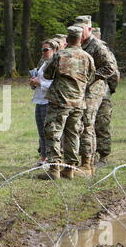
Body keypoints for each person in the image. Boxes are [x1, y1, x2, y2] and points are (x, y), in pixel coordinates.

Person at [37, 26, 95, 180]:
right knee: (73, 135)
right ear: (81, 39)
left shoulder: (60, 55)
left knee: (53, 133)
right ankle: (69, 170)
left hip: (59, 102)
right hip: (78, 103)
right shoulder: (87, 57)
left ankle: (54, 169)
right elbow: (91, 77)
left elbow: (48, 75)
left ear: (68, 39)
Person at [74, 15, 116, 177]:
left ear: (89, 29)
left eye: (81, 30)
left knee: (88, 123)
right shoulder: (78, 45)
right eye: (76, 29)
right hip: (80, 90)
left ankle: (88, 163)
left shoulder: (97, 46)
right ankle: (79, 158)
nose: (79, 32)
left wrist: (92, 77)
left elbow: (110, 68)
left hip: (94, 90)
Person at [92, 28, 120, 167]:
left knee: (102, 125)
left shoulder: (104, 52)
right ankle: (91, 156)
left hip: (102, 95)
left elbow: (114, 74)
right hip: (88, 95)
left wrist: (109, 90)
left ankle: (103, 156)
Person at [29, 39, 58, 166]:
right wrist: (33, 82)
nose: (43, 52)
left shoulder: (56, 64)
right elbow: (40, 81)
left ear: (54, 50)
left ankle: (52, 159)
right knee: (41, 131)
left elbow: (56, 84)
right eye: (42, 50)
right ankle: (43, 157)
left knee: (49, 132)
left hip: (49, 101)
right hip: (39, 100)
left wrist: (40, 83)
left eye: (46, 50)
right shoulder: (44, 63)